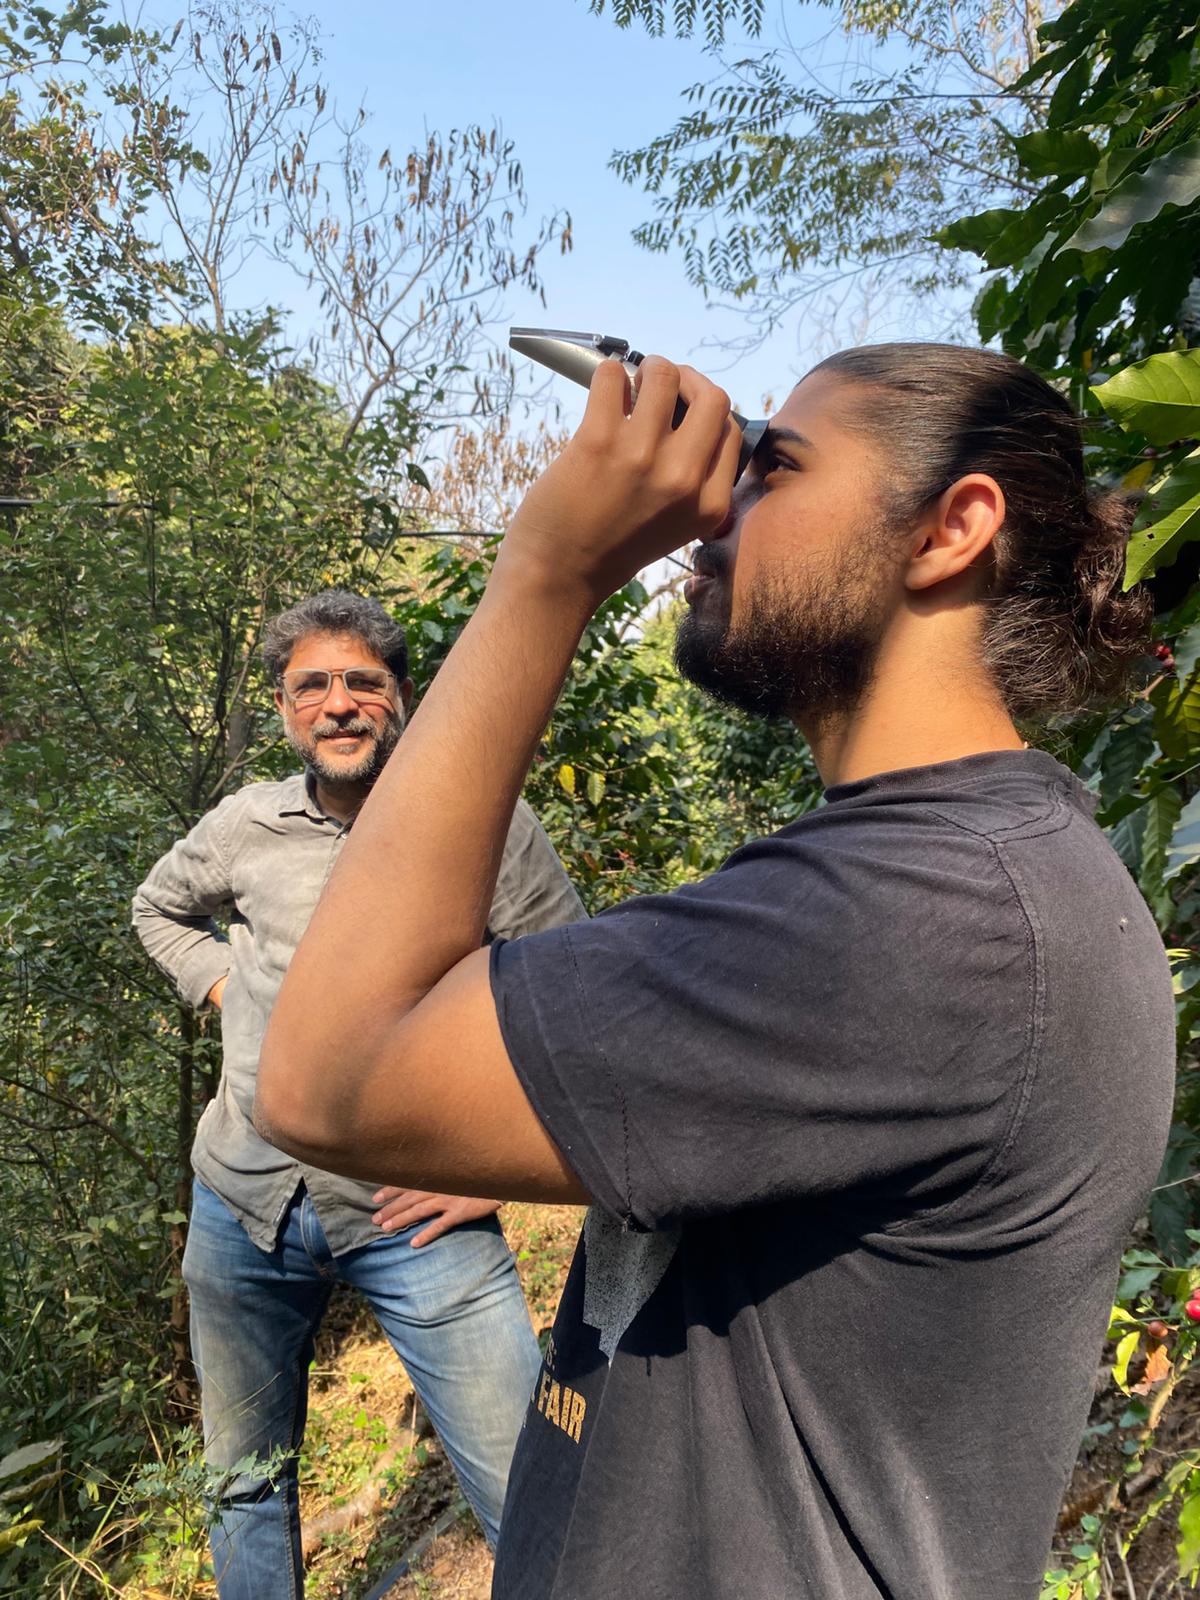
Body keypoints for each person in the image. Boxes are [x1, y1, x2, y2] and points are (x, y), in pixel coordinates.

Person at [253, 348, 1177, 1600]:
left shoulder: (929, 916)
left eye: (774, 466)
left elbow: (331, 1078)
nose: (716, 505)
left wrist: (549, 571)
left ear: (952, 528)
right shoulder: (955, 871)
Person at [132, 590, 584, 1600]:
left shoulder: (490, 826)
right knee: (244, 1485)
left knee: (534, 1485)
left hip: (411, 1211)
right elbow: (156, 906)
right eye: (314, 686)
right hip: (240, 1204)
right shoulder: (244, 826)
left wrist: (495, 1175)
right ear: (288, 709)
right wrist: (219, 981)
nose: (338, 703)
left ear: (403, 699)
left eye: (362, 682)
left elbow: (568, 994)